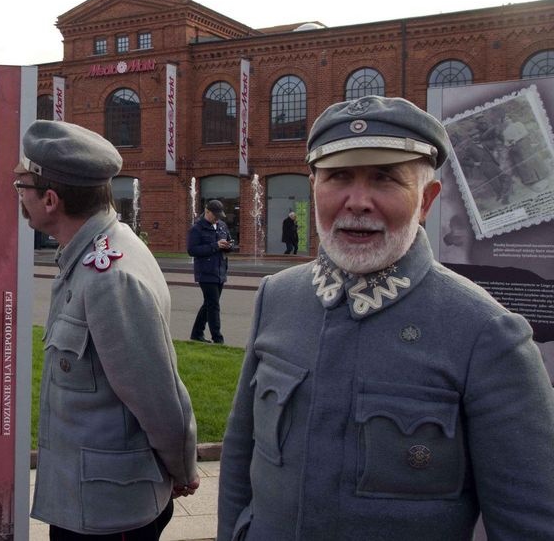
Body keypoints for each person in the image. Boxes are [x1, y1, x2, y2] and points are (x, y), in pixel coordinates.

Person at [217, 95, 554, 540]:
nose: (358, 201)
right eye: (338, 176)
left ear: (427, 200)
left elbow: (530, 521)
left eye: (385, 179)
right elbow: (241, 457)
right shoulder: (279, 296)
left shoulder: (486, 334)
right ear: (313, 185)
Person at [15, 120, 199, 539]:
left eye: (21, 186)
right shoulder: (96, 251)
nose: (18, 197)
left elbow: (158, 397)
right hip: (92, 501)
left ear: (49, 199)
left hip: (108, 515)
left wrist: (183, 469)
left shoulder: (109, 278)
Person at [187, 199, 232, 344]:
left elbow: (231, 242)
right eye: (215, 215)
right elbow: (192, 250)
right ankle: (217, 338)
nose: (217, 218)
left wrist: (228, 246)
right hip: (205, 272)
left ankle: (196, 333)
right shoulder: (197, 229)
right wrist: (215, 245)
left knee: (209, 303)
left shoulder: (222, 226)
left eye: (220, 215)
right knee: (213, 305)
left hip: (220, 271)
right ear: (207, 211)